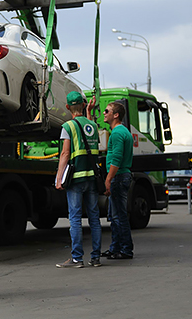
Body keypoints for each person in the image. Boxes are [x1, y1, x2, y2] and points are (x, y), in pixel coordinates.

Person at [55, 91, 102, 268]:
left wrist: (59, 178)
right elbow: (88, 133)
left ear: (67, 107)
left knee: (75, 218)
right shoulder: (93, 126)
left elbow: (65, 153)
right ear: (83, 105)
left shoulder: (68, 127)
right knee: (94, 217)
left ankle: (77, 258)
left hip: (75, 180)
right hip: (92, 177)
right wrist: (89, 112)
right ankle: (96, 257)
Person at [101, 102, 134, 260]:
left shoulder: (117, 133)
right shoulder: (122, 131)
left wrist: (108, 179)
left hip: (119, 177)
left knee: (119, 216)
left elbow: (117, 158)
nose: (103, 113)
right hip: (120, 176)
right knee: (114, 216)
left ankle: (126, 249)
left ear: (116, 115)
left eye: (107, 110)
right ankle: (115, 248)